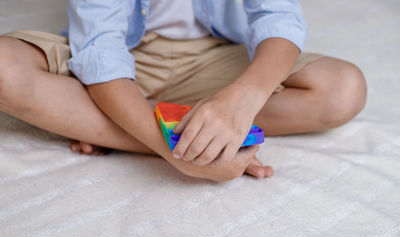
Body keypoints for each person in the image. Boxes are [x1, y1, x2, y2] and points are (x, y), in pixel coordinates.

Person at [0, 0, 366, 182]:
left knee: (343, 89)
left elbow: (279, 17)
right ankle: (170, 126)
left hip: (214, 59)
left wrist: (242, 99)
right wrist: (180, 155)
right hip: (120, 61)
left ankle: (112, 123)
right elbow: (100, 49)